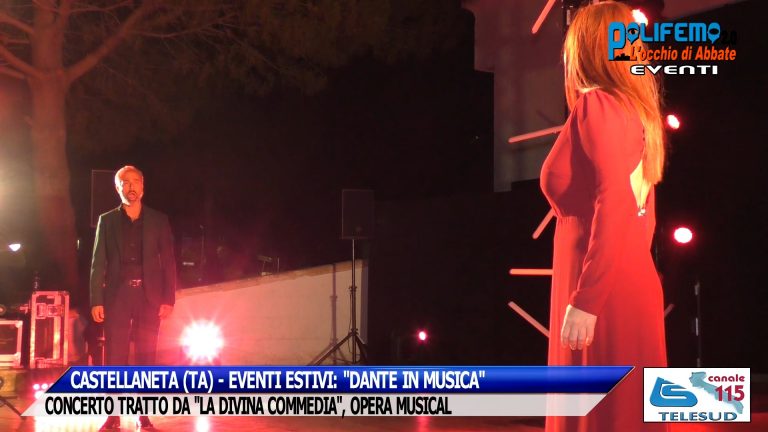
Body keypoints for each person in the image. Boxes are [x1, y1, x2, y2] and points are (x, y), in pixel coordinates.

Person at [540, 2, 668, 431]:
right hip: (625, 275)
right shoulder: (637, 112)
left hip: (595, 281)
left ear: (585, 47)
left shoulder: (598, 105)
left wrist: (587, 299)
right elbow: (642, 214)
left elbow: (614, 201)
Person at [90, 165, 176, 431]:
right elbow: (98, 262)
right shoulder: (107, 220)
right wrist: (96, 299)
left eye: (135, 181)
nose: (131, 186)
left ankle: (144, 416)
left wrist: (168, 299)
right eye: (125, 182)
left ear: (143, 185)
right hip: (117, 296)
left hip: (149, 296)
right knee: (114, 356)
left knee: (146, 356)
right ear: (118, 188)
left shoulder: (159, 220)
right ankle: (113, 416)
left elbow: (168, 261)